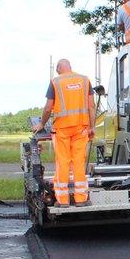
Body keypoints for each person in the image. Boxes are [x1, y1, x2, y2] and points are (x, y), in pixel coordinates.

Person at [33, 59, 96, 207]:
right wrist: (92, 127)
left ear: (58, 69)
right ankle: (81, 199)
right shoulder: (84, 80)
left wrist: (42, 124)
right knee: (79, 162)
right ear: (70, 67)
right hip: (81, 127)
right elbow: (91, 106)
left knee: (63, 162)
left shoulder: (56, 82)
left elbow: (48, 108)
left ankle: (63, 200)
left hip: (62, 129)